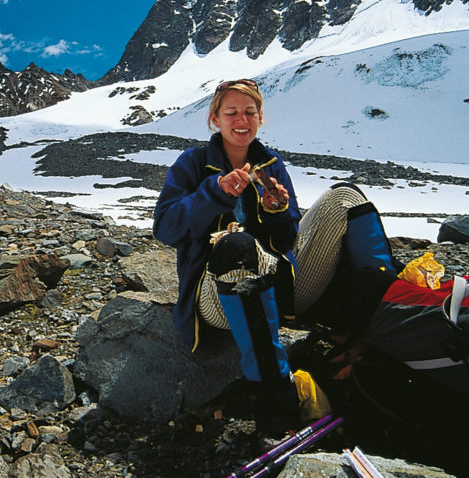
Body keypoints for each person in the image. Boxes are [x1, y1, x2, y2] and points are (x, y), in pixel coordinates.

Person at [153, 78, 398, 433]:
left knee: (346, 198)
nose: (242, 119)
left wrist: (277, 210)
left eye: (250, 112)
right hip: (218, 296)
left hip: (282, 285)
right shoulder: (193, 164)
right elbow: (165, 228)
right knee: (237, 247)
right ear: (214, 119)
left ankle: (385, 326)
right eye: (232, 112)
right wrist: (214, 193)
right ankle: (275, 402)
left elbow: (289, 238)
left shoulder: (270, 164)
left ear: (260, 117)